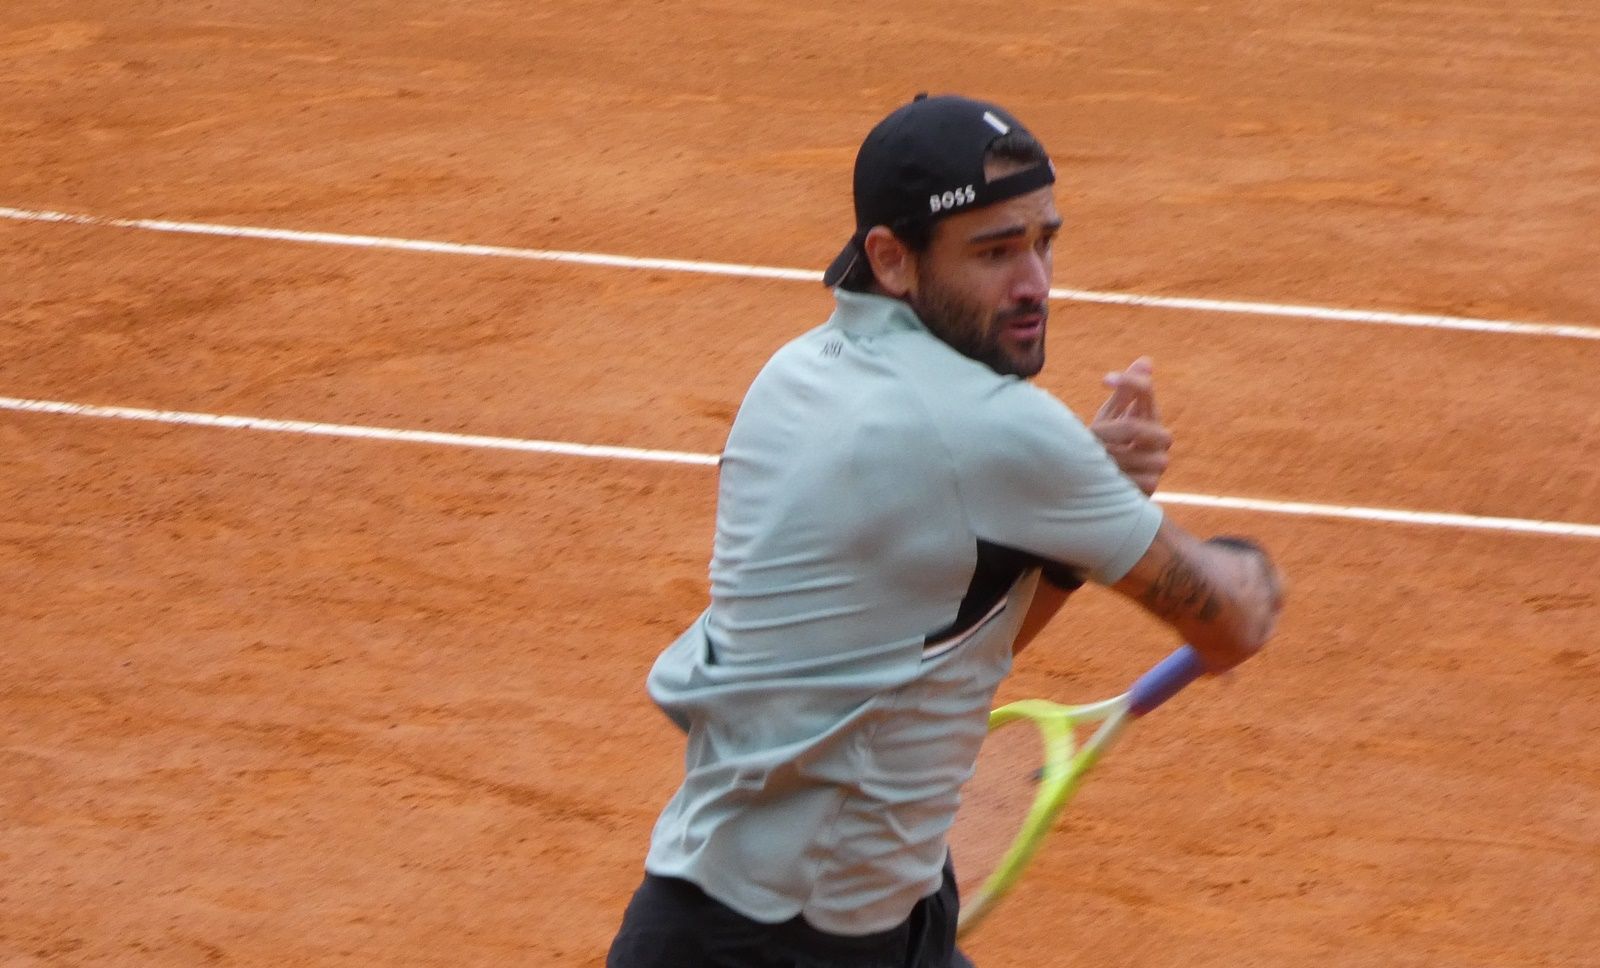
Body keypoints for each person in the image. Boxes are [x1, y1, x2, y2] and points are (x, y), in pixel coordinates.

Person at [606, 93, 1285, 968]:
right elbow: (1228, 625)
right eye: (996, 253)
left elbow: (954, 644)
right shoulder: (994, 429)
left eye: (1044, 241)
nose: (1035, 282)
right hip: (787, 945)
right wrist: (1249, 569)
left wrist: (1072, 525)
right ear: (892, 259)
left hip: (803, 915)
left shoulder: (796, 376)